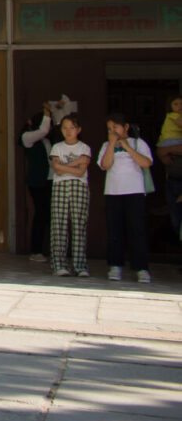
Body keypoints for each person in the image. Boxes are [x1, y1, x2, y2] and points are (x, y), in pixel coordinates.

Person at [98, 113, 153, 283]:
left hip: (135, 192)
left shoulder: (138, 143)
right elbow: (105, 165)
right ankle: (115, 266)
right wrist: (112, 144)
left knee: (137, 230)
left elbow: (146, 163)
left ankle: (141, 268)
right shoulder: (106, 145)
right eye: (109, 129)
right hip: (113, 193)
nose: (112, 131)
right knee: (115, 231)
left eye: (115, 127)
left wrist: (127, 147)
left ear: (126, 127)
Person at [48, 114, 92, 278]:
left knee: (79, 225)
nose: (68, 131)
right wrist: (76, 163)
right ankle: (59, 264)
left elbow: (81, 172)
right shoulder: (57, 147)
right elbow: (57, 170)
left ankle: (80, 266)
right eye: (65, 128)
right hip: (60, 186)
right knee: (58, 225)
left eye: (72, 128)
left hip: (79, 186)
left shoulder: (84, 148)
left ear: (78, 130)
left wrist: (63, 166)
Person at [21, 105, 54, 262]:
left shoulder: (47, 140)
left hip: (50, 180)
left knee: (50, 215)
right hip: (37, 182)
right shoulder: (27, 137)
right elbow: (43, 130)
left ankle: (53, 249)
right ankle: (36, 251)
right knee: (40, 214)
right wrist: (47, 114)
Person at [155, 95, 182, 249]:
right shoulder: (170, 120)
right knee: (176, 219)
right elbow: (160, 151)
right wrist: (165, 152)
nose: (179, 107)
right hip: (172, 180)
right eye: (176, 104)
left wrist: (168, 150)